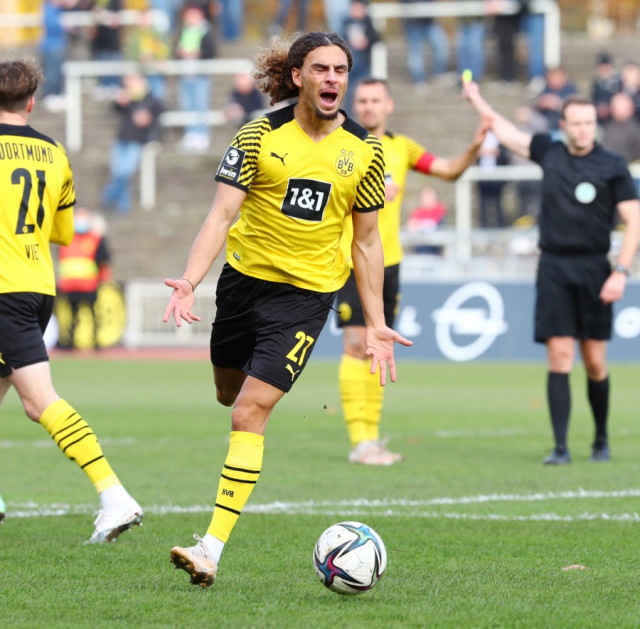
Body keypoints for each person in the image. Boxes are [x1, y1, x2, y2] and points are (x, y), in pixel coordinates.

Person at [162, 32, 412, 588]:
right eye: (321, 68)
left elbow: (367, 241)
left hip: (306, 298)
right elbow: (221, 215)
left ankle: (210, 548)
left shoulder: (366, 151)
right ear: (297, 76)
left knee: (247, 412)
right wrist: (190, 282)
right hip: (243, 285)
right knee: (227, 393)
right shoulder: (258, 135)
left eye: (340, 70)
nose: (332, 79)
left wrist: (376, 322)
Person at [0, 58, 142, 540]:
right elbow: (62, 231)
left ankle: (115, 496)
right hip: (38, 284)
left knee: (40, 401)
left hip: (4, 289)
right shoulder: (54, 152)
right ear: (31, 102)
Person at [463, 81, 640, 465]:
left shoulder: (612, 165)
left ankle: (600, 439)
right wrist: (476, 98)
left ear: (595, 124)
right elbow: (505, 130)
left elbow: (634, 221)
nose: (583, 129)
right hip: (554, 267)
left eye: (589, 122)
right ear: (563, 125)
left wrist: (620, 271)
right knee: (559, 357)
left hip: (595, 268)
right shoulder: (549, 150)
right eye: (576, 123)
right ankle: (560, 448)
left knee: (594, 361)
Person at [337, 77, 487, 465]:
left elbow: (448, 171)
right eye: (363, 100)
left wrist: (473, 149)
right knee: (356, 344)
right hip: (351, 260)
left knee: (379, 346)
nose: (368, 106)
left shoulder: (401, 148)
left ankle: (372, 438)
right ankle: (360, 441)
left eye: (376, 100)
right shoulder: (342, 144)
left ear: (389, 105)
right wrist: (363, 192)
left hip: (389, 263)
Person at [102, 72, 163, 214]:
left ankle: (110, 199)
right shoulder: (128, 98)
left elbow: (159, 110)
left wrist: (148, 117)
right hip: (122, 140)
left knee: (124, 173)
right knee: (118, 173)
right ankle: (120, 205)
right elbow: (115, 108)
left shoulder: (150, 99)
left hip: (136, 141)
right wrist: (120, 101)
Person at [56, 207, 112, 350]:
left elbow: (103, 260)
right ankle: (68, 341)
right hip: (70, 286)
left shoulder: (95, 239)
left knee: (92, 314)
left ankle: (95, 341)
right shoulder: (67, 239)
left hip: (89, 286)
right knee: (71, 315)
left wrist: (103, 279)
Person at [174, 3, 216, 153]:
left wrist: (196, 54)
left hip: (200, 76)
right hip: (185, 76)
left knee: (200, 106)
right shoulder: (183, 31)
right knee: (187, 106)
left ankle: (202, 135)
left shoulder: (206, 32)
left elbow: (210, 52)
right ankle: (190, 134)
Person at [401, 0, 451, 91]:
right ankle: (419, 80)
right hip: (412, 23)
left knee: (441, 46)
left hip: (428, 21)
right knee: (415, 53)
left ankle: (438, 74)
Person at [340, 0, 379, 114]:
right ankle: (349, 116)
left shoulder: (368, 22)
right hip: (349, 66)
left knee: (365, 92)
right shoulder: (346, 22)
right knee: (349, 93)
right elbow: (340, 40)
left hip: (364, 64)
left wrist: (366, 41)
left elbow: (376, 38)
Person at [591, 52, 622, 127]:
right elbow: (594, 98)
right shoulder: (597, 83)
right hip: (601, 118)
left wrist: (610, 107)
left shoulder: (618, 81)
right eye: (602, 68)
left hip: (615, 117)